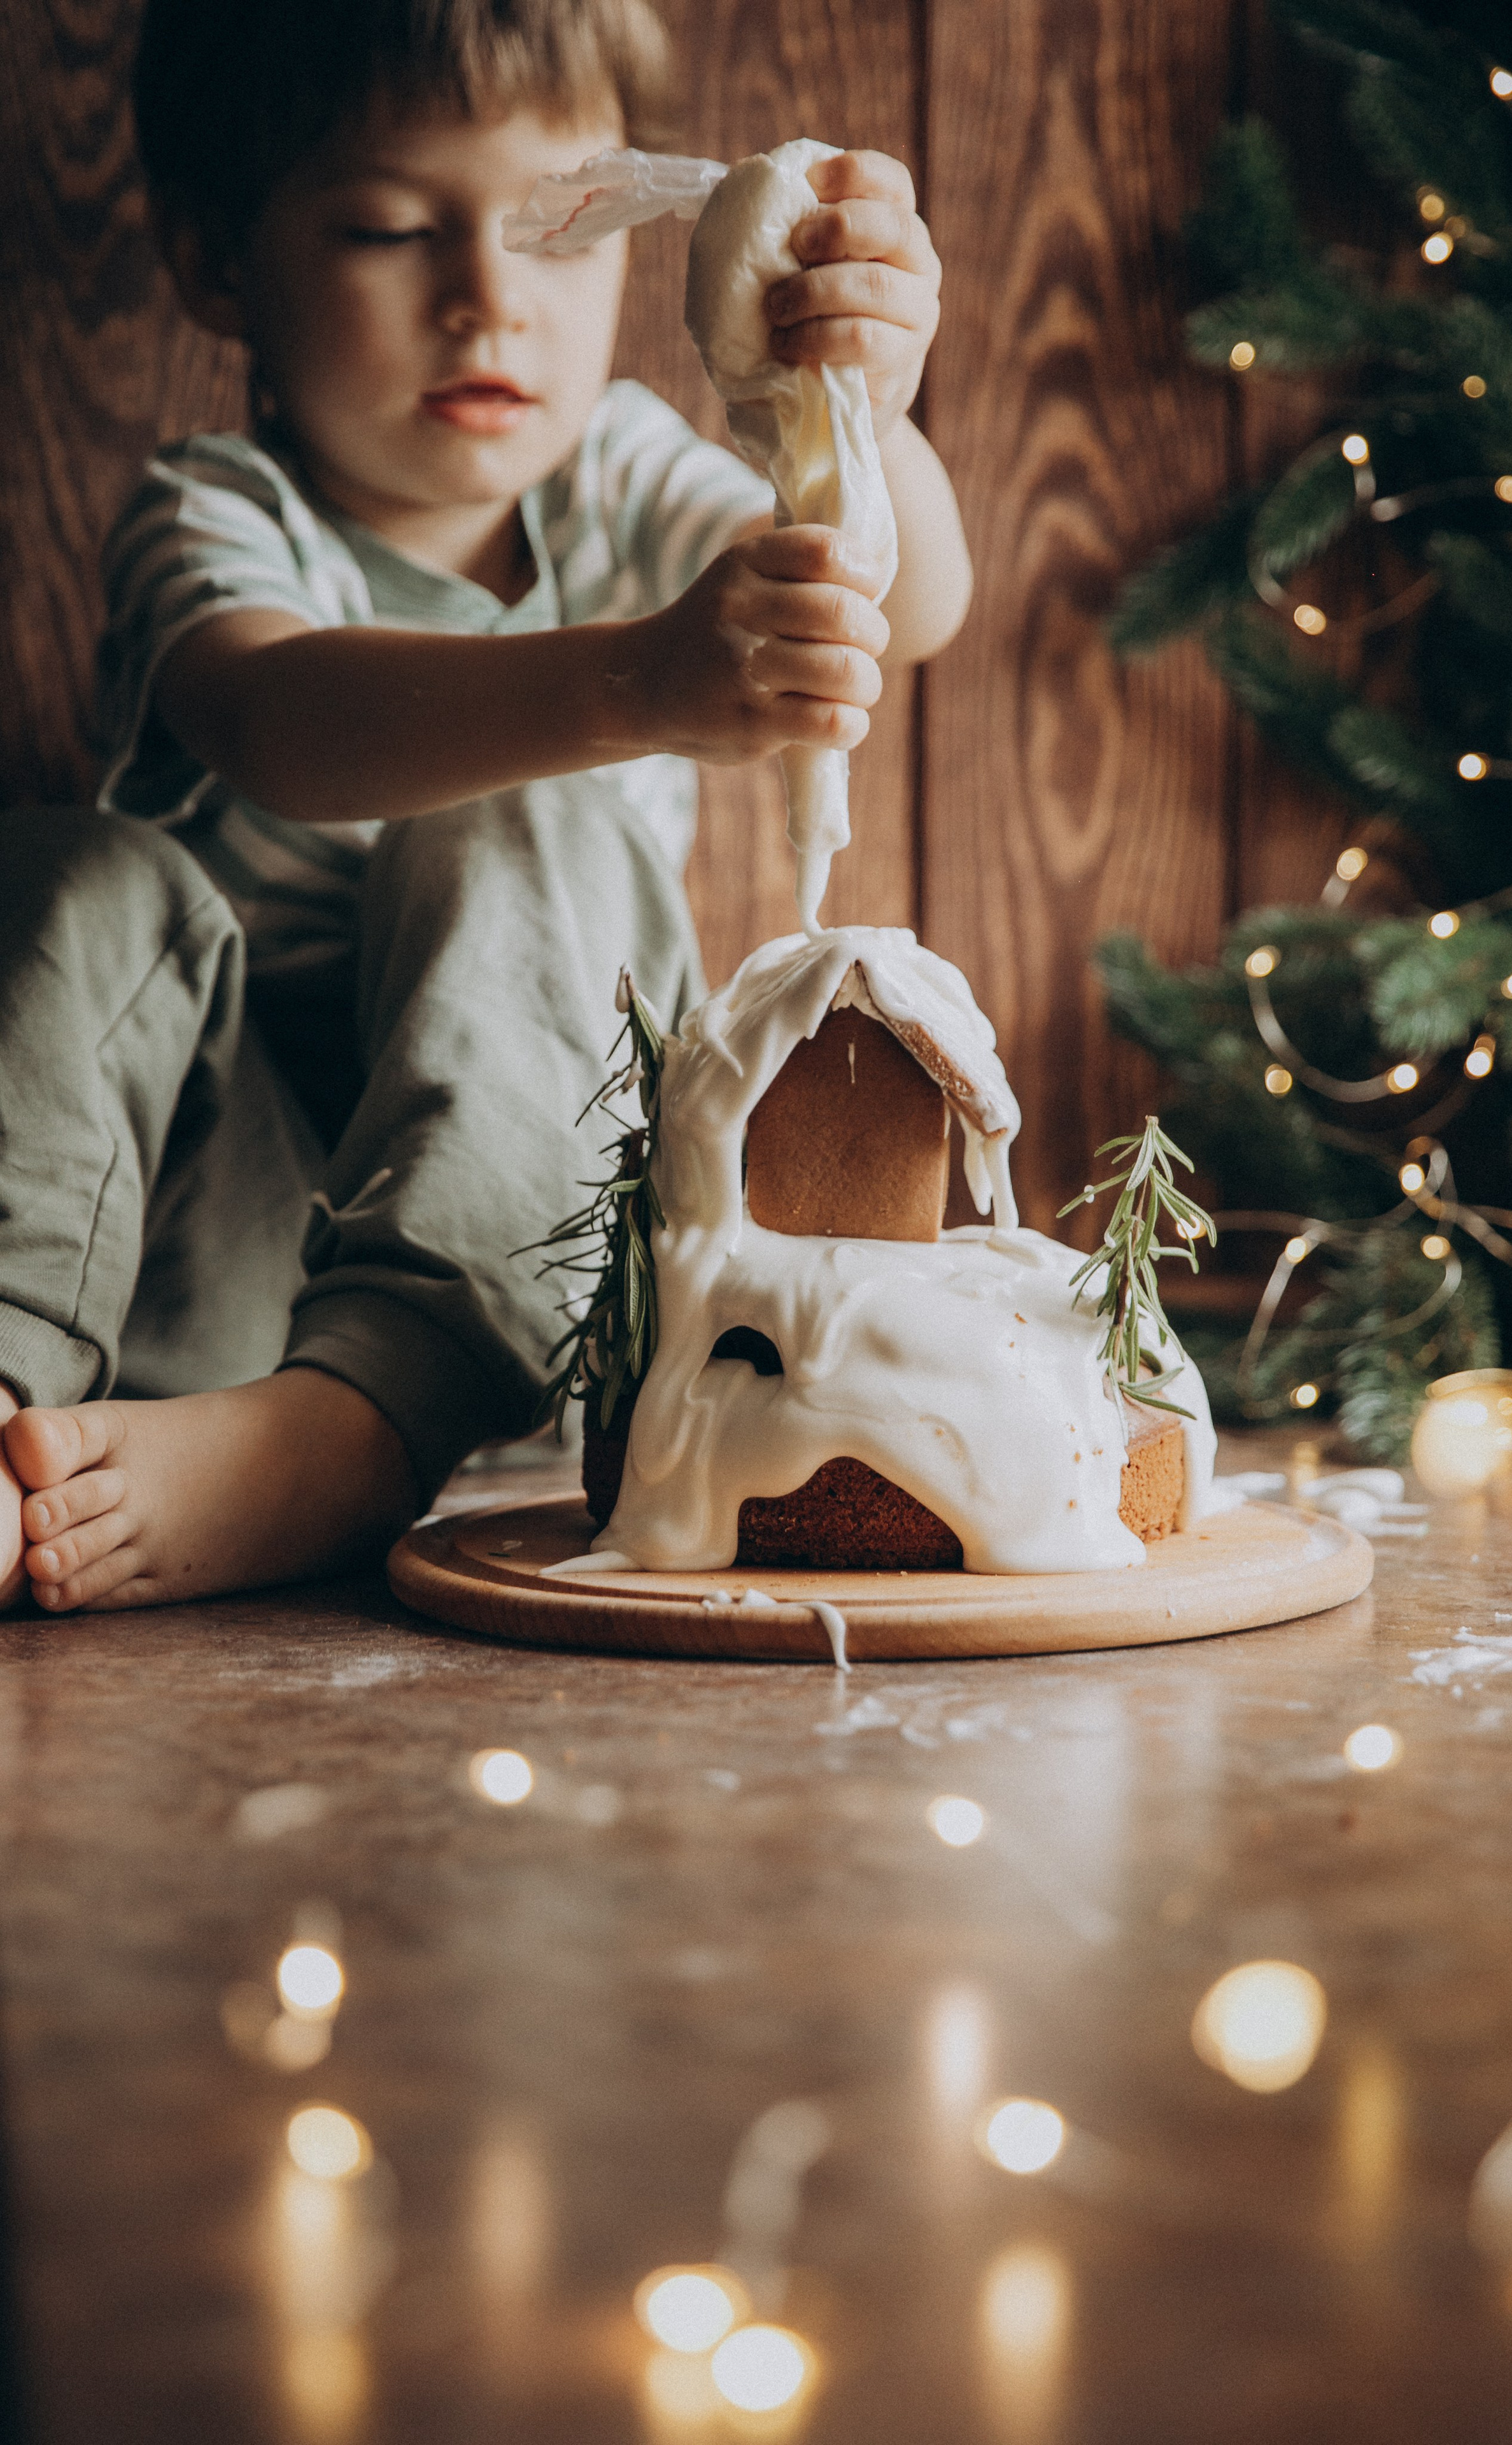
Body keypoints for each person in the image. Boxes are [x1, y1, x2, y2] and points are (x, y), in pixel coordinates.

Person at [0, 0, 971, 1615]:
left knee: (541, 808)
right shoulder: (211, 514)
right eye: (391, 229)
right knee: (80, 875)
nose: (488, 301)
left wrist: (864, 406)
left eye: (561, 231)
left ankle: (355, 1432)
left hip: (477, 1280)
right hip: (181, 1254)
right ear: (220, 263)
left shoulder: (624, 473)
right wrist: (638, 685)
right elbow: (280, 722)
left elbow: (912, 596)